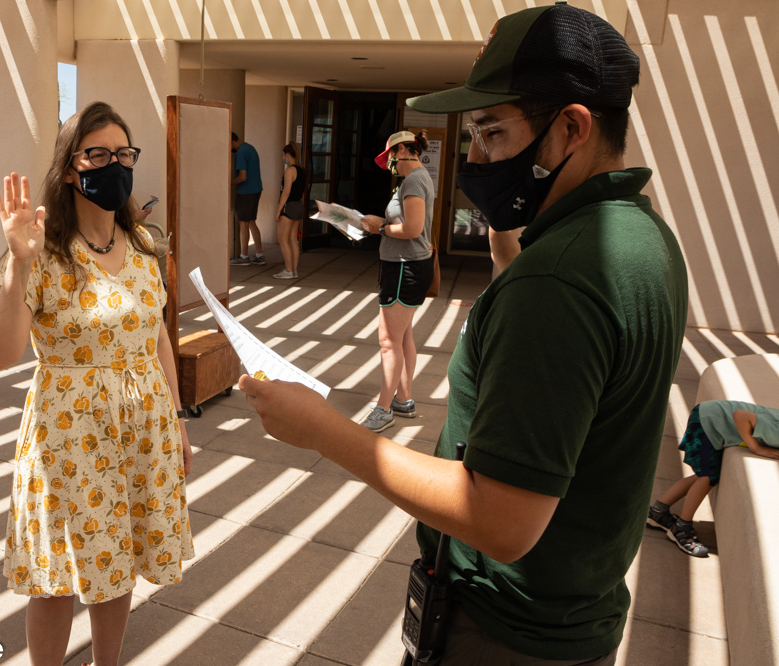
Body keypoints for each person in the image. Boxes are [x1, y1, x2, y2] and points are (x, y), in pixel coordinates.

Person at [239, 3, 688, 664]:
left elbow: (500, 522)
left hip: (502, 632)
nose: (475, 158)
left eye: (492, 134)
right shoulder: (643, 238)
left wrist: (326, 432)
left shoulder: (558, 283)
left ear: (571, 128)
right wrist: (514, 220)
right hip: (576, 616)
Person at [0, 101, 195, 666]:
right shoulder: (43, 252)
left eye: (123, 153)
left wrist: (176, 420)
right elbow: (2, 354)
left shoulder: (147, 248)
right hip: (68, 436)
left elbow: (157, 340)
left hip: (142, 427)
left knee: (119, 559)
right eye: (97, 153)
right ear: (71, 167)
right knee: (55, 573)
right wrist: (18, 264)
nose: (113, 165)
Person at [358, 130, 434, 433]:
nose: (390, 162)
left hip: (404, 267)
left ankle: (384, 408)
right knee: (402, 338)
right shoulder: (415, 179)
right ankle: (403, 400)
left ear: (403, 149)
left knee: (388, 341)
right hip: (408, 266)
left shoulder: (414, 180)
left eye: (390, 156)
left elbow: (412, 229)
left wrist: (381, 228)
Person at [648, 400, 779, 557]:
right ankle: (680, 529)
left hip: (712, 419)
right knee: (707, 478)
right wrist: (755, 448)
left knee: (703, 476)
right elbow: (741, 416)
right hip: (708, 421)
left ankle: (658, 512)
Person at [230, 132, 265, 266]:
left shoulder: (241, 152)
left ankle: (244, 257)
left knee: (243, 223)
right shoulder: (250, 148)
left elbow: (242, 177)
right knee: (251, 222)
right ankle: (259, 255)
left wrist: (230, 183)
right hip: (256, 189)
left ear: (231, 140)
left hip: (246, 191)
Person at [273, 143, 307, 280]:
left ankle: (288, 269)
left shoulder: (290, 170)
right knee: (293, 239)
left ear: (287, 155)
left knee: (283, 239)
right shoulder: (302, 170)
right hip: (298, 206)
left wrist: (278, 210)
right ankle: (294, 270)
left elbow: (286, 192)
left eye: (283, 155)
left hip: (289, 207)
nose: (283, 158)